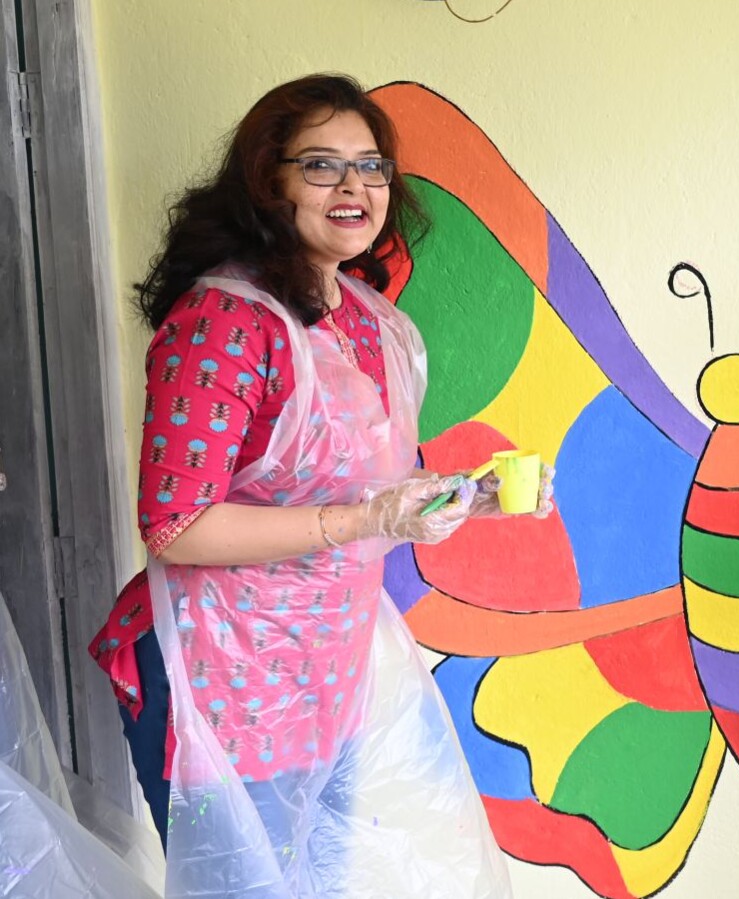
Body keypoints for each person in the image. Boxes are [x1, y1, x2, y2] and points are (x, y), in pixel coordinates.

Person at [88, 74, 546, 896]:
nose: (355, 188)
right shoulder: (224, 321)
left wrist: (457, 498)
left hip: (328, 667)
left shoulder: (371, 323)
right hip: (219, 669)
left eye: (371, 167)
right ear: (270, 181)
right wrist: (357, 518)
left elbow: (367, 481)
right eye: (322, 166)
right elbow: (175, 526)